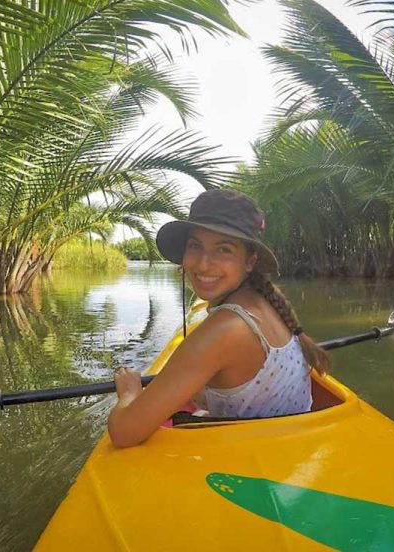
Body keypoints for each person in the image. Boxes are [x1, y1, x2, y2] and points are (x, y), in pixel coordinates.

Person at [107, 189, 329, 448]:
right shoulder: (266, 301)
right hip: (288, 448)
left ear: (250, 261)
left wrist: (130, 392)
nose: (203, 264)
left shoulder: (224, 329)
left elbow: (124, 433)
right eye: (195, 246)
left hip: (252, 462)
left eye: (223, 249)